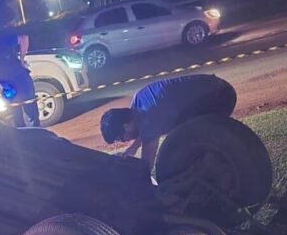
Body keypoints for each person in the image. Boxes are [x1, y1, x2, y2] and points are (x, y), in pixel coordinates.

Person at [99, 74, 238, 176]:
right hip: (217, 85)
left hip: (221, 97)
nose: (126, 140)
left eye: (122, 138)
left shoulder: (150, 118)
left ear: (126, 126)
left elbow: (146, 166)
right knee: (179, 137)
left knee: (184, 146)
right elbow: (145, 128)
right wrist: (132, 148)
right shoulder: (138, 103)